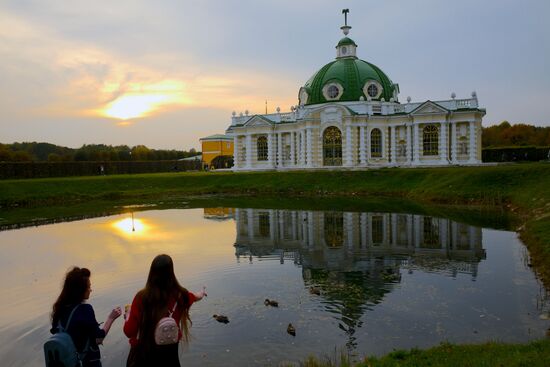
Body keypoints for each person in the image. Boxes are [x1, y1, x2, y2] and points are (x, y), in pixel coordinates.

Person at [123, 254, 206, 367]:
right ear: (171, 272)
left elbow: (129, 331)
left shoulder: (141, 297)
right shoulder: (181, 295)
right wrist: (201, 293)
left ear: (152, 273)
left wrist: (128, 315)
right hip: (170, 352)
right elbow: (195, 297)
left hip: (144, 354)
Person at [50, 267, 122, 367]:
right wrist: (111, 318)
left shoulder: (59, 310)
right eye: (88, 287)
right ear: (79, 290)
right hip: (86, 363)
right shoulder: (85, 310)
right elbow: (99, 338)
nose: (90, 290)